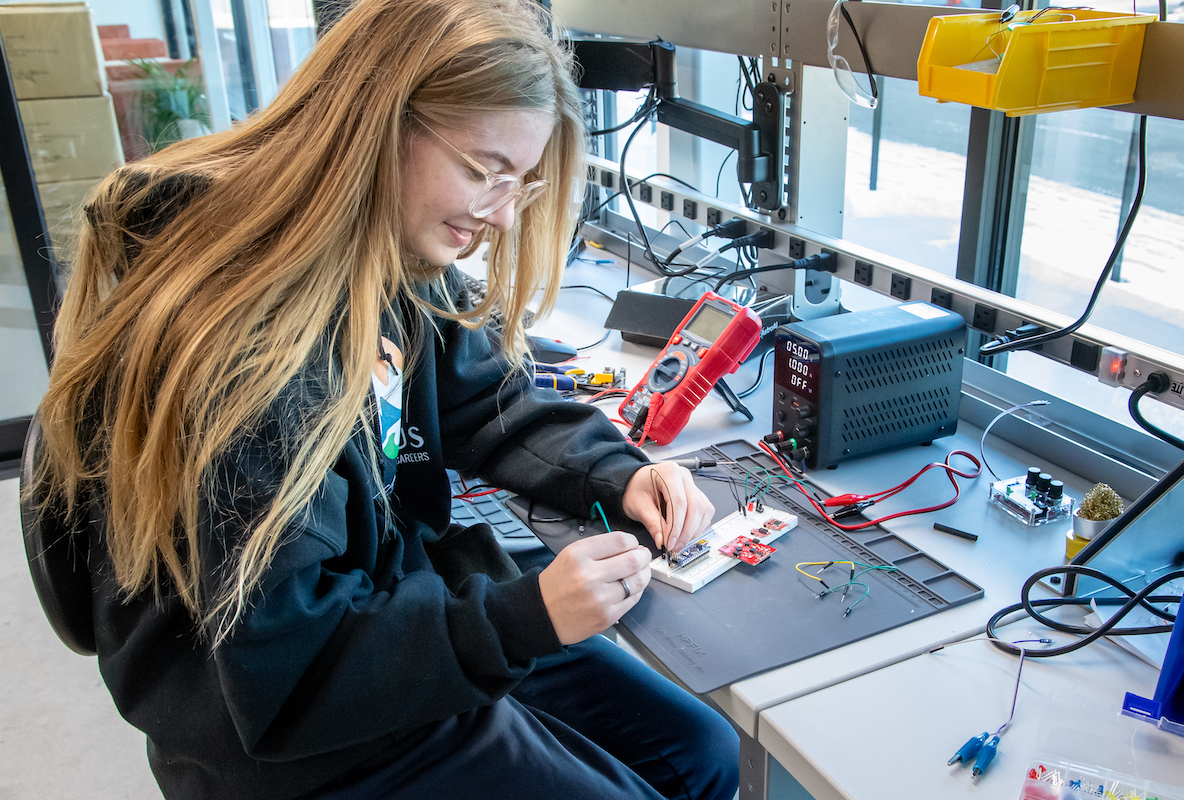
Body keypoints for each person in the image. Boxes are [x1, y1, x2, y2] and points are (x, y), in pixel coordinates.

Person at [31, 0, 740, 798]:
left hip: (376, 623)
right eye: (482, 172)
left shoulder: (382, 252)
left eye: (521, 181)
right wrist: (523, 617)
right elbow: (287, 664)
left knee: (701, 749)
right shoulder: (251, 351)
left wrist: (616, 472)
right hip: (295, 727)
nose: (505, 216)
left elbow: (484, 403)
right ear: (378, 125)